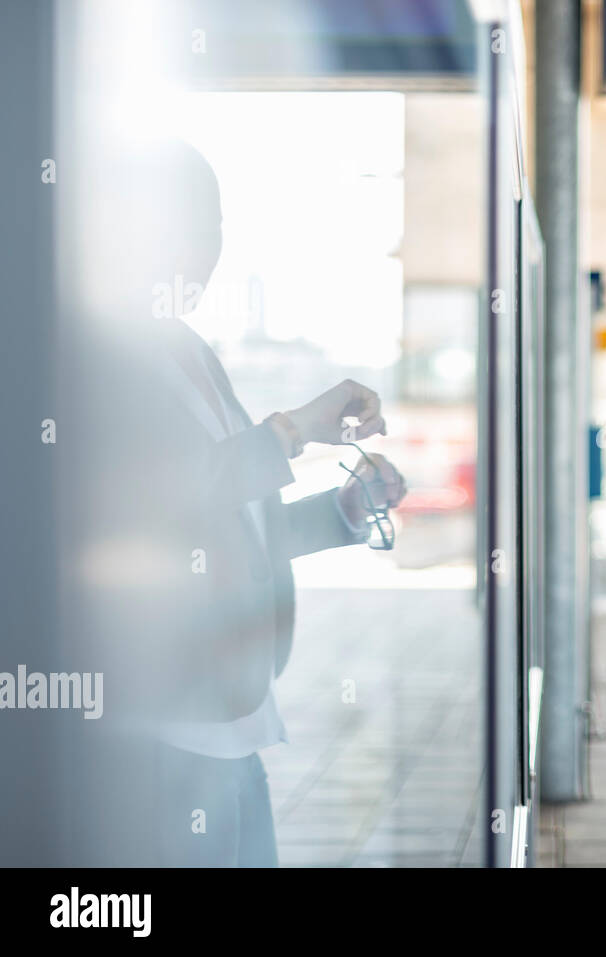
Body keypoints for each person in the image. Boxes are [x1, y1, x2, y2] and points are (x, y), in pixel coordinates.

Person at [69, 138, 407, 866]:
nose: (207, 255)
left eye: (214, 231)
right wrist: (291, 430)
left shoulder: (187, 351)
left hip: (235, 718)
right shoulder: (91, 355)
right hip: (161, 729)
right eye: (190, 232)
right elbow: (159, 503)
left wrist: (344, 509)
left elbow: (227, 524)